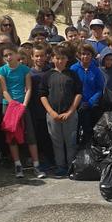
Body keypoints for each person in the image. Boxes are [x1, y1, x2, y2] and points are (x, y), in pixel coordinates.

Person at [0, 43, 44, 179]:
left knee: (30, 135)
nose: (8, 57)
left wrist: (23, 105)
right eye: (5, 55)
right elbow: (4, 90)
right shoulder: (2, 71)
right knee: (12, 137)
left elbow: (29, 88)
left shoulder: (25, 69)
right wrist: (13, 105)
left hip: (24, 105)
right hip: (9, 106)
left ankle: (36, 166)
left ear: (17, 54)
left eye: (10, 54)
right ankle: (18, 165)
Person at [40, 46, 83, 177]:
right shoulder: (47, 75)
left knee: (70, 141)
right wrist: (51, 112)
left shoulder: (72, 74)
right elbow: (42, 95)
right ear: (52, 59)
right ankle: (60, 166)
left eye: (62, 58)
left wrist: (70, 111)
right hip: (53, 115)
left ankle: (71, 166)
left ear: (67, 59)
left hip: (69, 114)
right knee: (56, 141)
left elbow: (78, 93)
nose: (59, 61)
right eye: (57, 58)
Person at [71, 43, 104, 146]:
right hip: (76, 105)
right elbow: (70, 88)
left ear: (92, 55)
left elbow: (100, 89)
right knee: (75, 130)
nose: (85, 56)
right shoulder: (73, 69)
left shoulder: (96, 70)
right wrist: (79, 102)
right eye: (83, 54)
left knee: (88, 130)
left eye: (88, 54)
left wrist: (89, 102)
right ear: (79, 55)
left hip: (91, 105)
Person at [29, 44, 54, 172]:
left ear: (46, 57)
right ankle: (41, 160)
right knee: (38, 135)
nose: (39, 58)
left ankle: (51, 160)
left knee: (49, 136)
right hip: (34, 108)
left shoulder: (51, 71)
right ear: (32, 57)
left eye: (42, 56)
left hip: (49, 108)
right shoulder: (29, 73)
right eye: (37, 56)